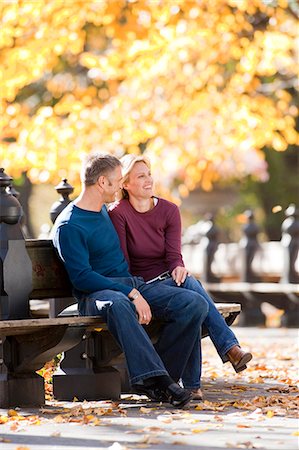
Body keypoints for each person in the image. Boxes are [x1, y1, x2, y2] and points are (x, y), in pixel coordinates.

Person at [51, 152, 210, 408]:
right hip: (96, 294)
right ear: (103, 183)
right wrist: (130, 294)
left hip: (130, 284)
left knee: (194, 304)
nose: (120, 185)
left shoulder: (103, 211)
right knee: (118, 303)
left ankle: (161, 379)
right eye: (117, 180)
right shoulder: (69, 225)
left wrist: (135, 288)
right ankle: (161, 382)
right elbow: (82, 278)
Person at [109, 154, 253, 399]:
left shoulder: (169, 210)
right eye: (140, 176)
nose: (148, 180)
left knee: (189, 288)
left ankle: (195, 383)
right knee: (192, 292)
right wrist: (134, 292)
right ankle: (226, 351)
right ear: (125, 184)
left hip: (169, 280)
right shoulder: (119, 213)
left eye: (149, 174)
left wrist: (178, 266)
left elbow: (174, 255)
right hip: (141, 287)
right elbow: (124, 263)